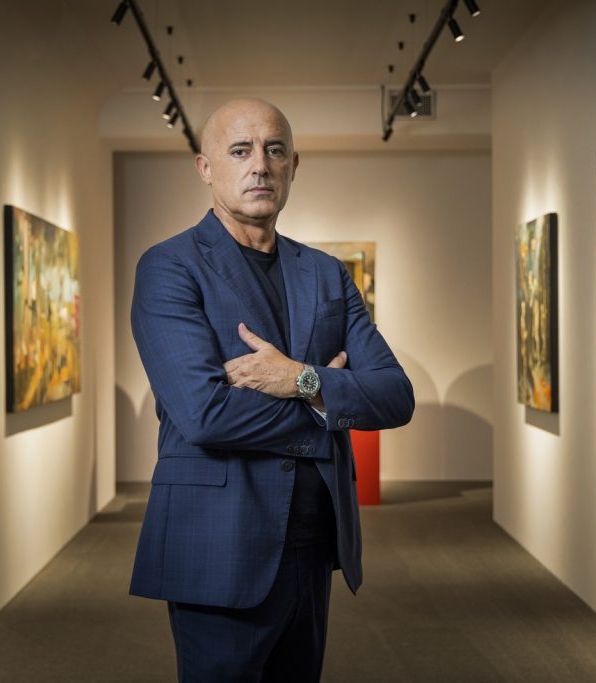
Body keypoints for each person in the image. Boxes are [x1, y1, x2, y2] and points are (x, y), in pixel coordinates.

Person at [129, 98, 415, 682]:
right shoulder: (170, 267)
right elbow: (205, 413)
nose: (260, 164)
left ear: (293, 166)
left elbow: (394, 395)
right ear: (205, 168)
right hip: (219, 545)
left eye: (275, 150)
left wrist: (301, 379)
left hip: (313, 545)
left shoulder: (326, 274)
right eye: (240, 150)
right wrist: (328, 402)